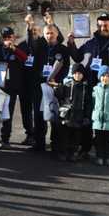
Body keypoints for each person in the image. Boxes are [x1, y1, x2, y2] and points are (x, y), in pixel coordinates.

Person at [67, 12, 109, 159]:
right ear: (97, 26)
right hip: (91, 86)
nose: (103, 28)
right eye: (101, 25)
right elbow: (77, 57)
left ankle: (104, 152)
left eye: (106, 25)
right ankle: (86, 148)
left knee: (106, 120)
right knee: (88, 118)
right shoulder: (91, 42)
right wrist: (71, 43)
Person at [30, 23, 70, 153]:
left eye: (52, 33)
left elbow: (65, 68)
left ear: (57, 34)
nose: (49, 35)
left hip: (54, 86)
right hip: (39, 86)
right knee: (39, 114)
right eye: (47, 33)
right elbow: (34, 65)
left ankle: (55, 144)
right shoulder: (39, 48)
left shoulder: (63, 50)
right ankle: (39, 143)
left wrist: (56, 80)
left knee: (55, 115)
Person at [54, 63, 93, 162]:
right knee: (64, 136)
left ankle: (73, 153)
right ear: (72, 74)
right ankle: (63, 152)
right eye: (75, 73)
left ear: (83, 75)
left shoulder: (86, 88)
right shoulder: (67, 86)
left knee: (76, 137)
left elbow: (88, 104)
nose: (77, 75)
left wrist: (87, 117)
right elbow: (59, 97)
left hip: (79, 117)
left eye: (80, 74)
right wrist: (57, 89)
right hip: (67, 116)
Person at [16, 14, 42, 145]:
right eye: (32, 30)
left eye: (36, 30)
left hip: (37, 83)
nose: (34, 32)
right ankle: (29, 134)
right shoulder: (21, 45)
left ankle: (38, 135)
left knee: (37, 111)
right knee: (25, 111)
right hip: (24, 84)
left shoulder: (42, 45)